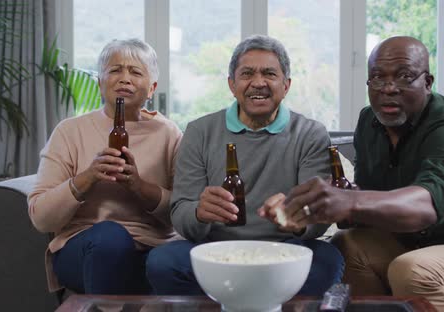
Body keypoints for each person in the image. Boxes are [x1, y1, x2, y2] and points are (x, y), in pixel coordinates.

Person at [264, 36, 444, 312]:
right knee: (346, 245)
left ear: (428, 82)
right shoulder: (369, 122)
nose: (388, 88)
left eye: (404, 76)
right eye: (377, 77)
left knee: (412, 270)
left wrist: (351, 202)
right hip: (412, 246)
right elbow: (365, 200)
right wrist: (314, 209)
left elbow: (428, 205)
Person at [145, 35, 343, 296]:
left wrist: (298, 220)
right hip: (216, 250)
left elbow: (319, 217)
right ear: (232, 84)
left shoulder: (311, 133)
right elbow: (180, 211)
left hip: (284, 250)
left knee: (328, 261)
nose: (258, 83)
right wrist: (199, 212)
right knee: (162, 263)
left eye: (269, 74)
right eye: (247, 73)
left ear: (286, 85)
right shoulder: (199, 131)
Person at [28, 39, 182, 295]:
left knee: (176, 260)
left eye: (135, 72)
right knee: (110, 237)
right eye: (115, 70)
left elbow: (182, 213)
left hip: (152, 251)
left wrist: (139, 187)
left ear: (152, 88)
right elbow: (41, 219)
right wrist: (86, 179)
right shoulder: (70, 131)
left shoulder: (170, 134)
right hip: (87, 249)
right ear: (100, 83)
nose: (124, 79)